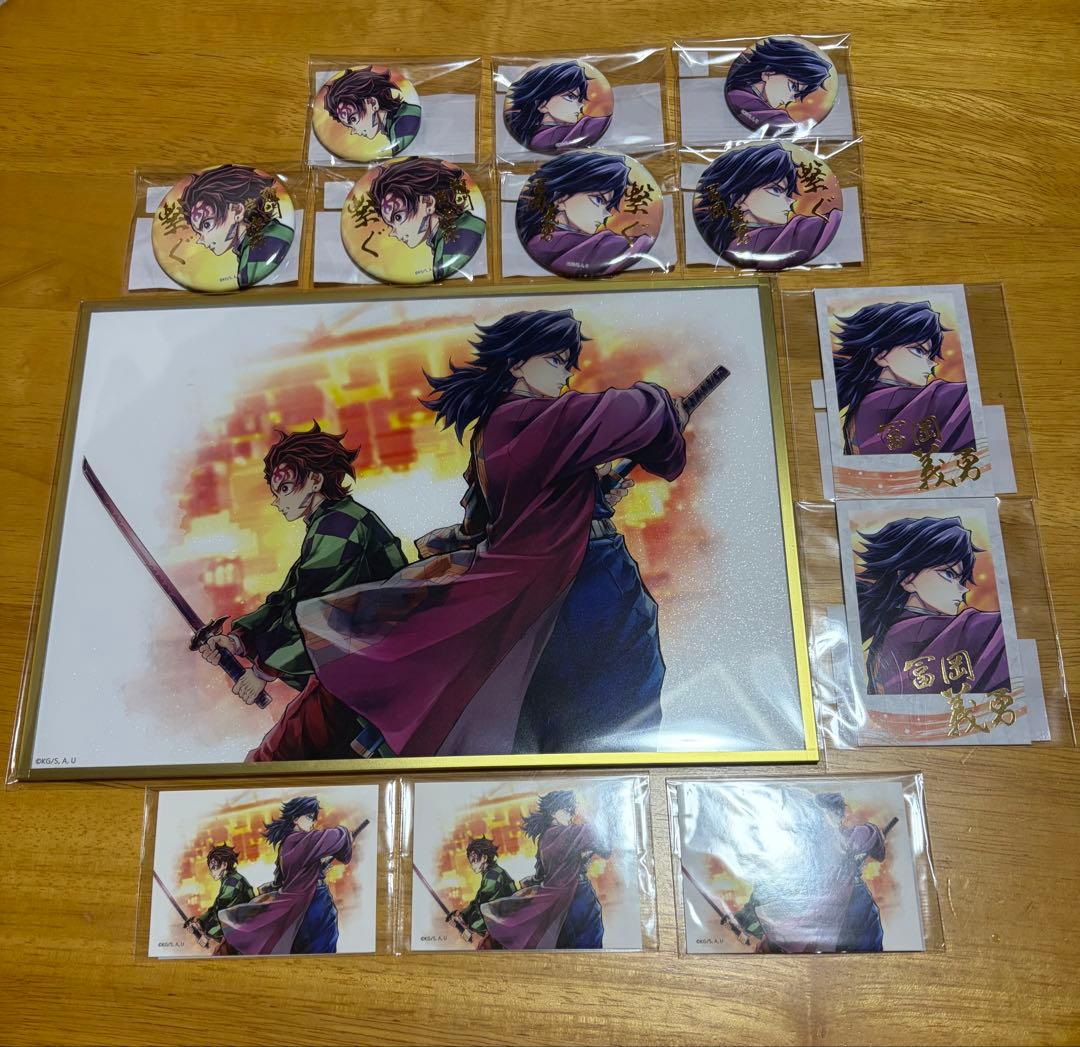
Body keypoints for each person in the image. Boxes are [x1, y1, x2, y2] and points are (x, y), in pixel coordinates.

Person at [293, 308, 687, 757]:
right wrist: (663, 407)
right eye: (555, 360)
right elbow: (630, 412)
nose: (565, 375)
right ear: (516, 363)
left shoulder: (496, 430)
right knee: (619, 703)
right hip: (586, 583)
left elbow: (513, 511)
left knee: (574, 710)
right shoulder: (527, 419)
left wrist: (592, 494)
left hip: (563, 583)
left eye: (567, 364)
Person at [196, 423, 407, 762]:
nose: (277, 501)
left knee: (269, 762)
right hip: (351, 667)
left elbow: (313, 612)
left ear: (315, 480)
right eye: (276, 491)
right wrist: (237, 640)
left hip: (367, 672)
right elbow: (288, 599)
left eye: (285, 488)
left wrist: (262, 672)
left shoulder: (341, 526)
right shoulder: (329, 524)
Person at [855, 515, 1011, 695]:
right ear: (908, 579)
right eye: (949, 574)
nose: (963, 589)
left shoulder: (886, 636)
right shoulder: (911, 633)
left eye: (960, 579)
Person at [735, 791, 887, 953]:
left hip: (852, 909)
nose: (825, 821)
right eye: (820, 815)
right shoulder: (803, 844)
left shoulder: (851, 837)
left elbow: (874, 839)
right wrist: (745, 918)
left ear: (838, 816)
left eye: (831, 815)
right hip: (813, 914)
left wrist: (864, 842)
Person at [832, 299, 974, 455]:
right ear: (880, 355)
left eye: (929, 355)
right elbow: (966, 396)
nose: (932, 364)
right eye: (918, 351)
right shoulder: (881, 402)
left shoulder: (864, 403)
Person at [218, 796, 356, 954]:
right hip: (314, 904)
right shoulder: (299, 841)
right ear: (295, 818)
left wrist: (317, 870)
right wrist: (346, 834)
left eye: (314, 818)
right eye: (309, 817)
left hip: (307, 904)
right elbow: (336, 837)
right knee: (321, 947)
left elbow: (290, 876)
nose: (312, 823)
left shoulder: (287, 844)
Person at [482, 791, 611, 949]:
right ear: (553, 812)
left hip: (562, 904)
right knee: (587, 942)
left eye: (572, 810)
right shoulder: (562, 834)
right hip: (578, 898)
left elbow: (542, 873)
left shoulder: (545, 839)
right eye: (567, 809)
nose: (571, 814)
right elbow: (599, 839)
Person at [693, 142, 841, 270]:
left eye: (786, 193)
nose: (791, 201)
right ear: (739, 198)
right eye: (776, 190)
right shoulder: (799, 233)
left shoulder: (802, 230)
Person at [516, 152, 655, 277]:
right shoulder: (602, 246)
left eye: (607, 205)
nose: (607, 214)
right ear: (561, 198)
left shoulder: (539, 243)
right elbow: (640, 245)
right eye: (598, 200)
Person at [368, 157, 486, 281]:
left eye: (398, 217)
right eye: (391, 225)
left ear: (428, 203)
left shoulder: (456, 240)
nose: (393, 233)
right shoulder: (451, 235)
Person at [178, 164, 294, 288]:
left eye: (207, 224)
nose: (201, 240)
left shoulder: (262, 247)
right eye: (199, 232)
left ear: (237, 211)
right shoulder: (256, 242)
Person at [725, 37, 833, 128]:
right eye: (793, 87)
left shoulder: (739, 94)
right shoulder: (776, 118)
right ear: (768, 74)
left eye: (797, 94)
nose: (792, 99)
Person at [505, 60, 610, 151]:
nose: (581, 105)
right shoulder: (545, 137)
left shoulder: (580, 127)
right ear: (542, 105)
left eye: (579, 99)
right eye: (570, 97)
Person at [324, 67, 421, 154]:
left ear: (373, 103)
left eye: (353, 119)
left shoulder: (403, 124)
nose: (353, 131)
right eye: (349, 125)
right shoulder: (394, 123)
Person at [186, 844, 255, 949]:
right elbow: (217, 908)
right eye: (211, 868)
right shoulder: (229, 880)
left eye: (214, 867)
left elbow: (223, 914)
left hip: (244, 933)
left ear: (224, 864)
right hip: (239, 930)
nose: (211, 872)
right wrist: (200, 921)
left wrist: (207, 935)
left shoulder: (233, 882)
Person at [450, 837, 517, 943]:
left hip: (505, 928)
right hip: (500, 924)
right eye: (470, 862)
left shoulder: (493, 876)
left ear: (484, 858)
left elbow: (483, 908)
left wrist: (468, 927)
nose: (472, 865)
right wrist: (463, 915)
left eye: (474, 860)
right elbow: (478, 902)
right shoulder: (491, 873)